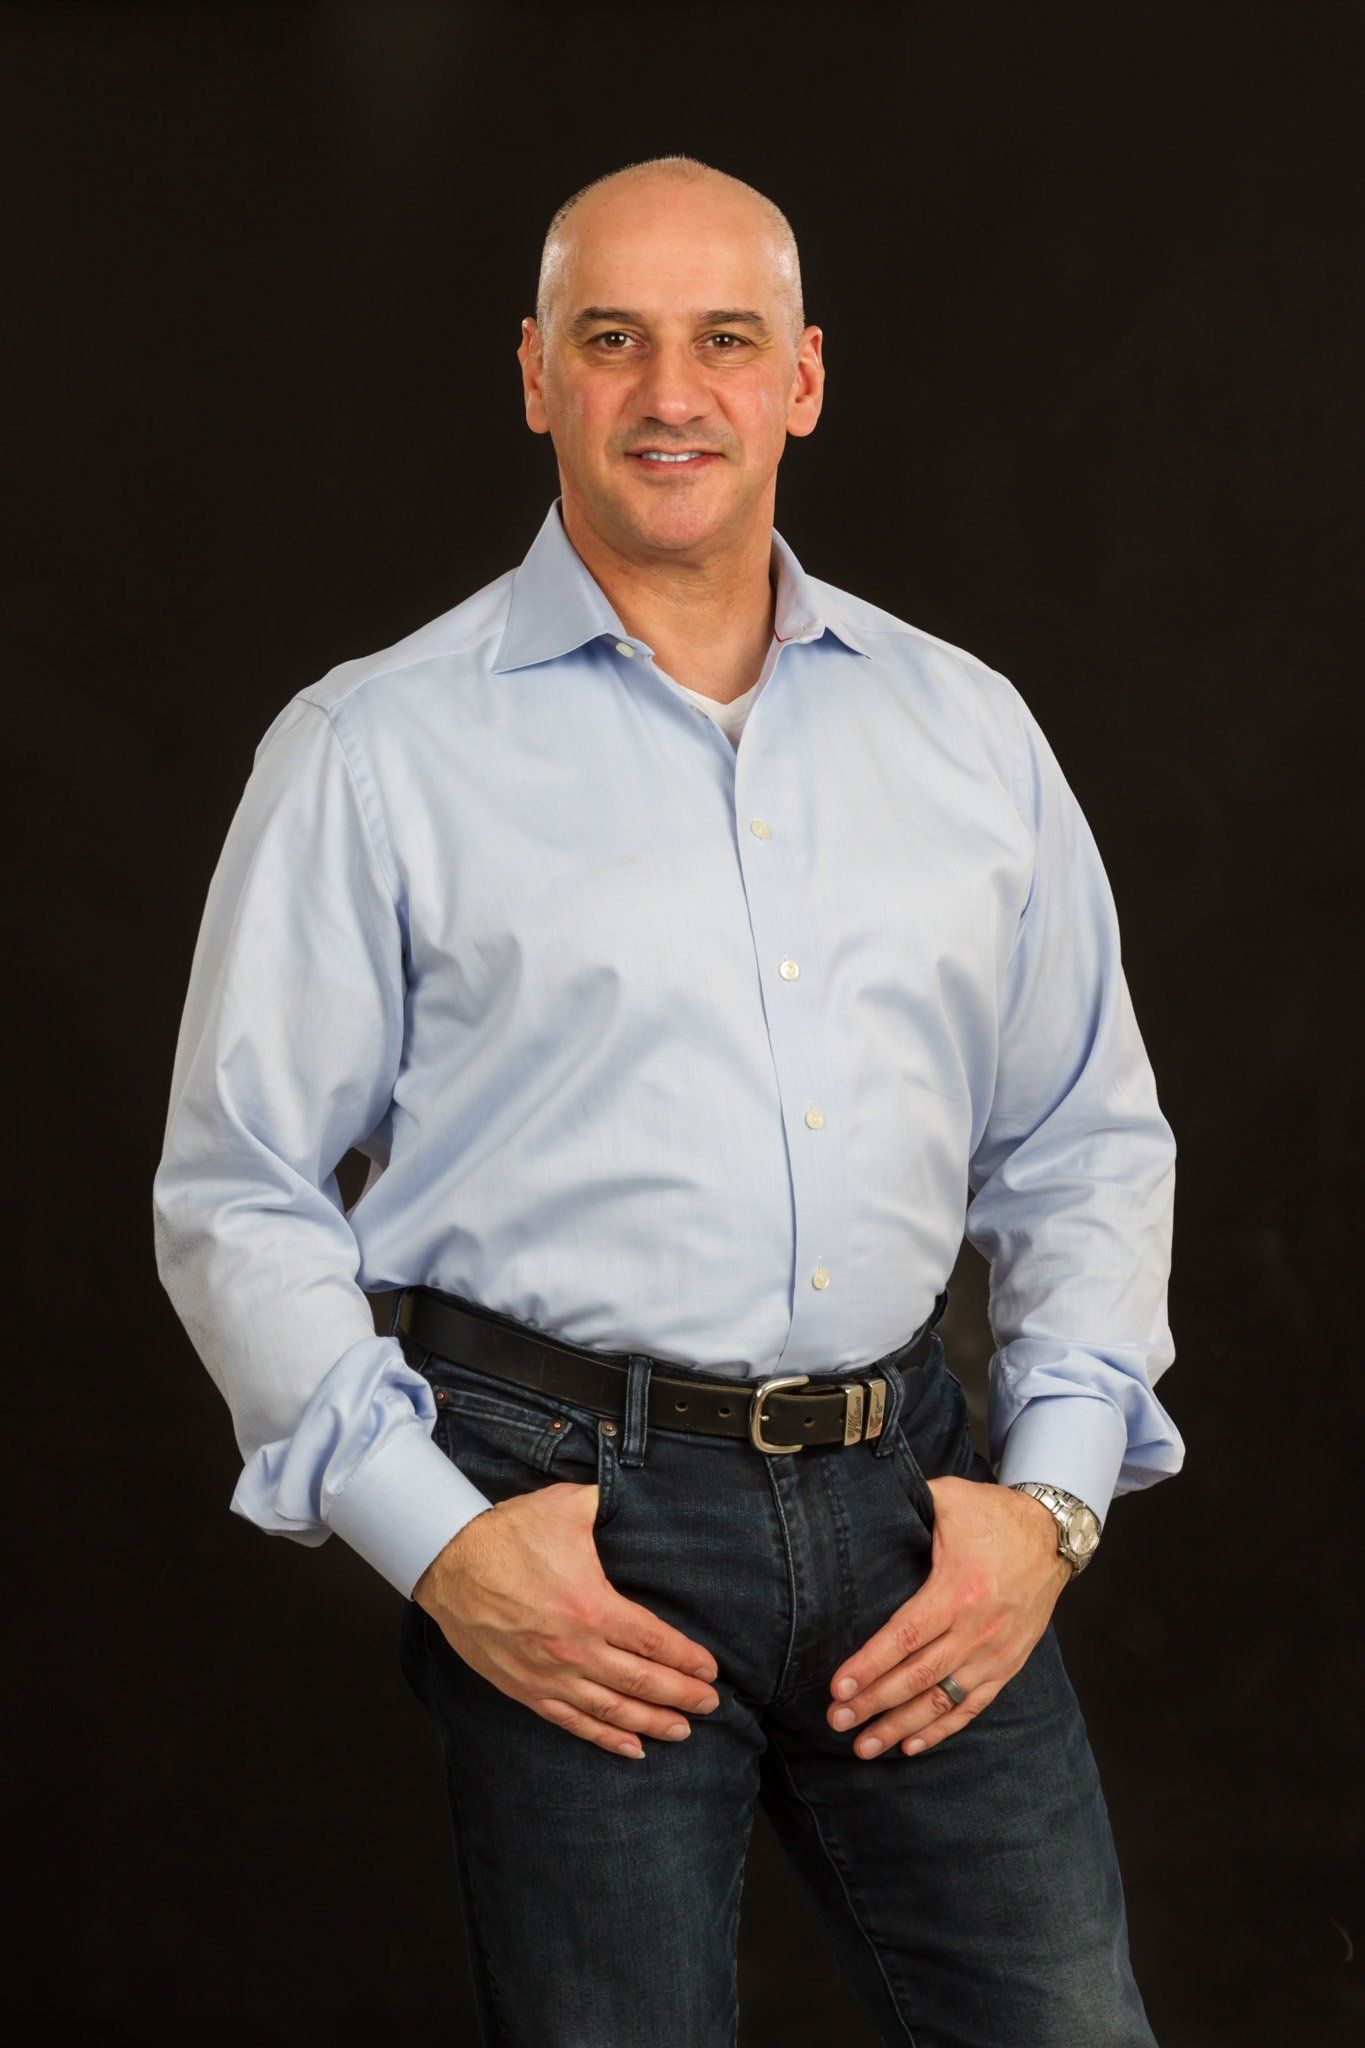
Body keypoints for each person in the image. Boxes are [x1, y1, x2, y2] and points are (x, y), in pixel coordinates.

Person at [152, 153, 1183, 2047]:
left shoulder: (966, 731)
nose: (668, 394)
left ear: (803, 378)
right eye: (610, 340)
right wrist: (442, 1542)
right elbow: (237, 1191)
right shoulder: (375, 748)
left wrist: (1043, 1506)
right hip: (569, 1524)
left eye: (724, 340)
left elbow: (1085, 1142)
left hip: (913, 1520)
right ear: (533, 372)